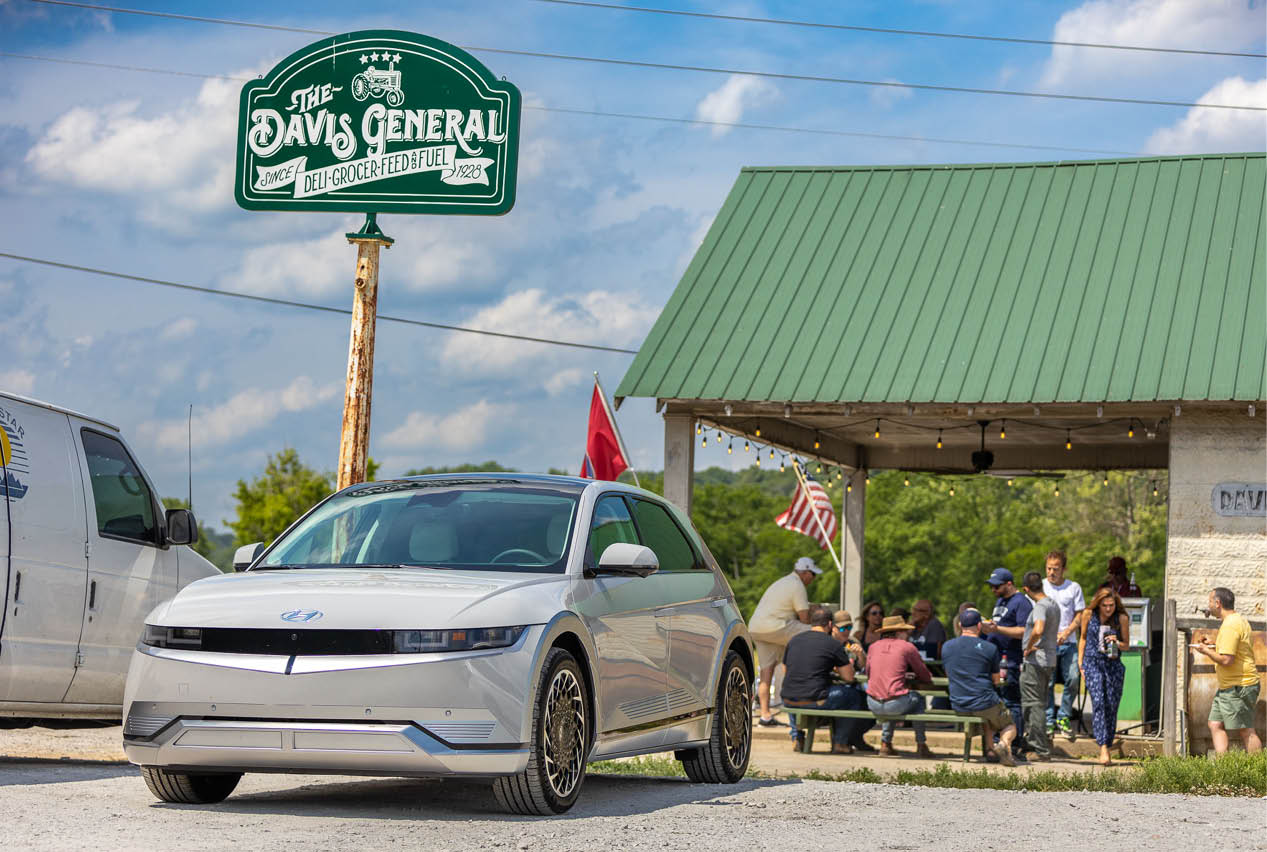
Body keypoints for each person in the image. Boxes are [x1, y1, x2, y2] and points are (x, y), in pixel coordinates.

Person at [782, 607, 871, 754]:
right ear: (830, 624)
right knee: (855, 697)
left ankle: (797, 737)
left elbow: (786, 671)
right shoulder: (833, 645)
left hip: (788, 699)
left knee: (796, 691)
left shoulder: (794, 640)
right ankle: (840, 743)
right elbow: (849, 678)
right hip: (815, 700)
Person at [748, 556, 820, 726]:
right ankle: (806, 706)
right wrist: (817, 613)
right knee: (818, 633)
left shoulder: (782, 582)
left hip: (757, 629)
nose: (813, 579)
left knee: (766, 673)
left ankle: (765, 716)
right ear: (805, 573)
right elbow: (804, 619)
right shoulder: (797, 585)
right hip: (776, 626)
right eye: (813, 575)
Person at [942, 608, 1018, 766]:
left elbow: (949, 674)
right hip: (984, 702)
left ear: (960, 624)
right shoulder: (989, 648)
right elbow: (996, 680)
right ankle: (1003, 744)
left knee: (988, 718)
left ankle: (991, 751)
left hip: (958, 704)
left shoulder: (946, 647)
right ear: (979, 626)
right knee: (1010, 724)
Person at [1194, 587, 1262, 754]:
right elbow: (1233, 648)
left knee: (1246, 730)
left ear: (1218, 603)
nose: (1208, 605)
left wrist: (1205, 651)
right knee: (1215, 724)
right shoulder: (1237, 621)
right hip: (1228, 687)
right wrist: (1214, 643)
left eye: (1210, 601)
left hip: (1239, 686)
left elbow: (1226, 660)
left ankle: (1258, 771)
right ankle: (1224, 768)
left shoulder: (1231, 625)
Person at [979, 568, 1032, 756]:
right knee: (998, 701)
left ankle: (1014, 743)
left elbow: (1024, 631)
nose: (993, 590)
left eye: (996, 586)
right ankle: (998, 742)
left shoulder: (1021, 602)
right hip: (996, 658)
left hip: (1010, 660)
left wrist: (997, 629)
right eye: (991, 586)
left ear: (1009, 584)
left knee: (1012, 701)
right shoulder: (1000, 600)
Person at [865, 615, 934, 757]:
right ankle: (921, 744)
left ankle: (885, 744)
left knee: (889, 694)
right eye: (905, 631)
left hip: (872, 702)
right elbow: (925, 675)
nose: (907, 634)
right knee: (917, 699)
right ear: (898, 632)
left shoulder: (873, 647)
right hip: (894, 703)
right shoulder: (907, 647)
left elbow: (869, 673)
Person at [1078, 586, 1129, 765]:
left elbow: (1127, 645)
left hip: (1113, 664)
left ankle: (1108, 740)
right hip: (1092, 663)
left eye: (1111, 605)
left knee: (1111, 705)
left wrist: (1117, 642)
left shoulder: (1121, 618)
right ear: (1098, 604)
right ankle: (1103, 748)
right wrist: (1080, 662)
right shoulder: (1088, 615)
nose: (1108, 609)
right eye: (1105, 605)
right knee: (1098, 702)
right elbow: (1083, 638)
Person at [1042, 550, 1085, 740]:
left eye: (1056, 569)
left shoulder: (1073, 587)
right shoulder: (1041, 586)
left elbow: (1080, 614)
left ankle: (1064, 717)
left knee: (1074, 679)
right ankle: (1049, 720)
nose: (1052, 572)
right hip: (1048, 643)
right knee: (1048, 682)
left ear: (1064, 569)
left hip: (1068, 642)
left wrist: (1066, 632)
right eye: (1049, 568)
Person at [1020, 571, 1060, 762]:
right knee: (1040, 704)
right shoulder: (1053, 604)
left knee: (1033, 705)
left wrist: (1028, 647)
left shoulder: (1041, 606)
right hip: (1049, 660)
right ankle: (1040, 744)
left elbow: (1038, 629)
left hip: (1036, 661)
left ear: (1026, 589)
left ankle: (1040, 749)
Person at [831, 609, 875, 751]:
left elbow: (864, 667)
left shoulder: (852, 642)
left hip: (853, 684)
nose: (846, 631)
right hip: (833, 685)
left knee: (873, 704)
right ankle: (843, 741)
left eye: (849, 627)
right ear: (833, 627)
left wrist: (861, 655)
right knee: (854, 699)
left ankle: (855, 736)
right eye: (843, 628)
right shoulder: (828, 642)